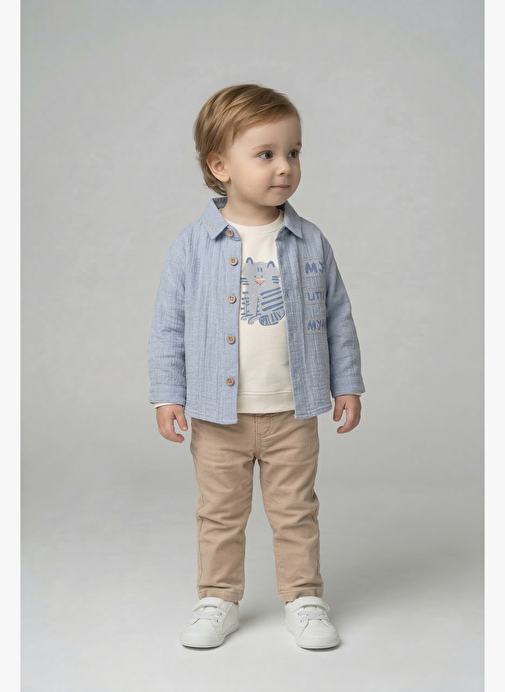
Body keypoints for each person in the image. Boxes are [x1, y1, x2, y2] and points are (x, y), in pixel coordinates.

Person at [148, 84, 365, 649]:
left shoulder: (310, 241)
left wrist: (347, 384)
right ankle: (217, 598)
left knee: (296, 511)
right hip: (218, 416)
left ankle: (305, 598)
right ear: (220, 166)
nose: (285, 166)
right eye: (266, 154)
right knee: (219, 513)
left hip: (293, 410)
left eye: (293, 152)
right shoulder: (192, 246)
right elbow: (169, 324)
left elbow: (337, 315)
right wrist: (168, 394)